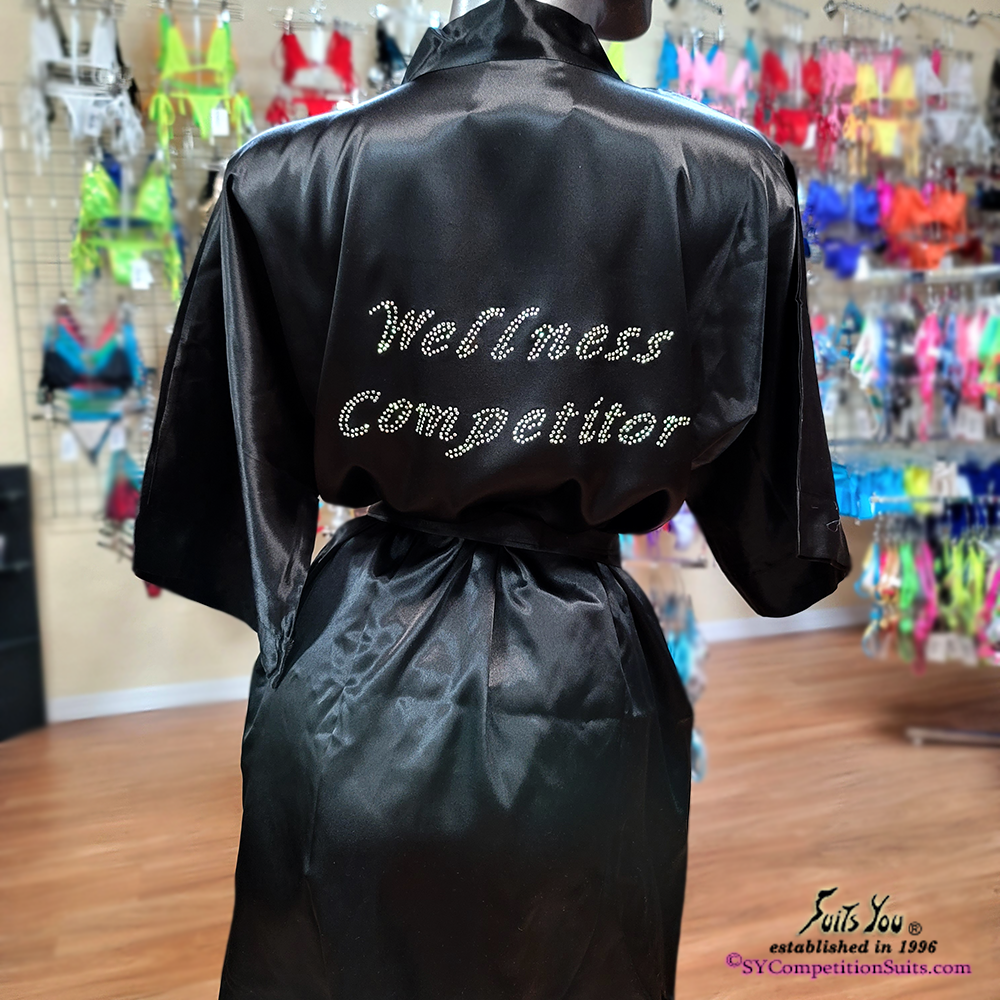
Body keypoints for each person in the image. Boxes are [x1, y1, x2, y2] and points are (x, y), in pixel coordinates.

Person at [133, 0, 850, 995]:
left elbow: (221, 470)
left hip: (352, 676)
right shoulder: (732, 177)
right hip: (581, 679)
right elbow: (780, 533)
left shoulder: (283, 174)